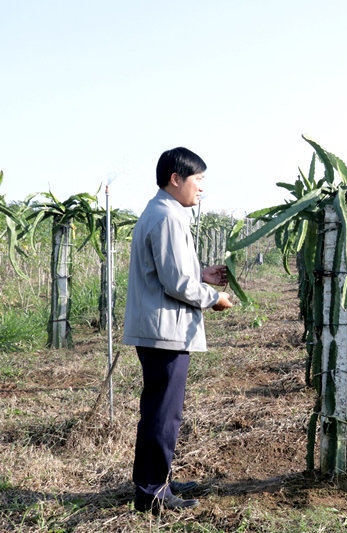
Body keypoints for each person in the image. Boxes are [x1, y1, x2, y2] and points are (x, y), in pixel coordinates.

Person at [123, 147, 234, 514]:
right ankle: (153, 492)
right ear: (176, 179)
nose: (201, 189)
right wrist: (212, 296)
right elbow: (176, 284)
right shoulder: (168, 218)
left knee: (159, 409)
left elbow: (169, 273)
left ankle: (155, 482)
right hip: (164, 331)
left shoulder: (161, 212)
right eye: (198, 180)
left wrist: (200, 275)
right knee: (163, 413)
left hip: (160, 327)